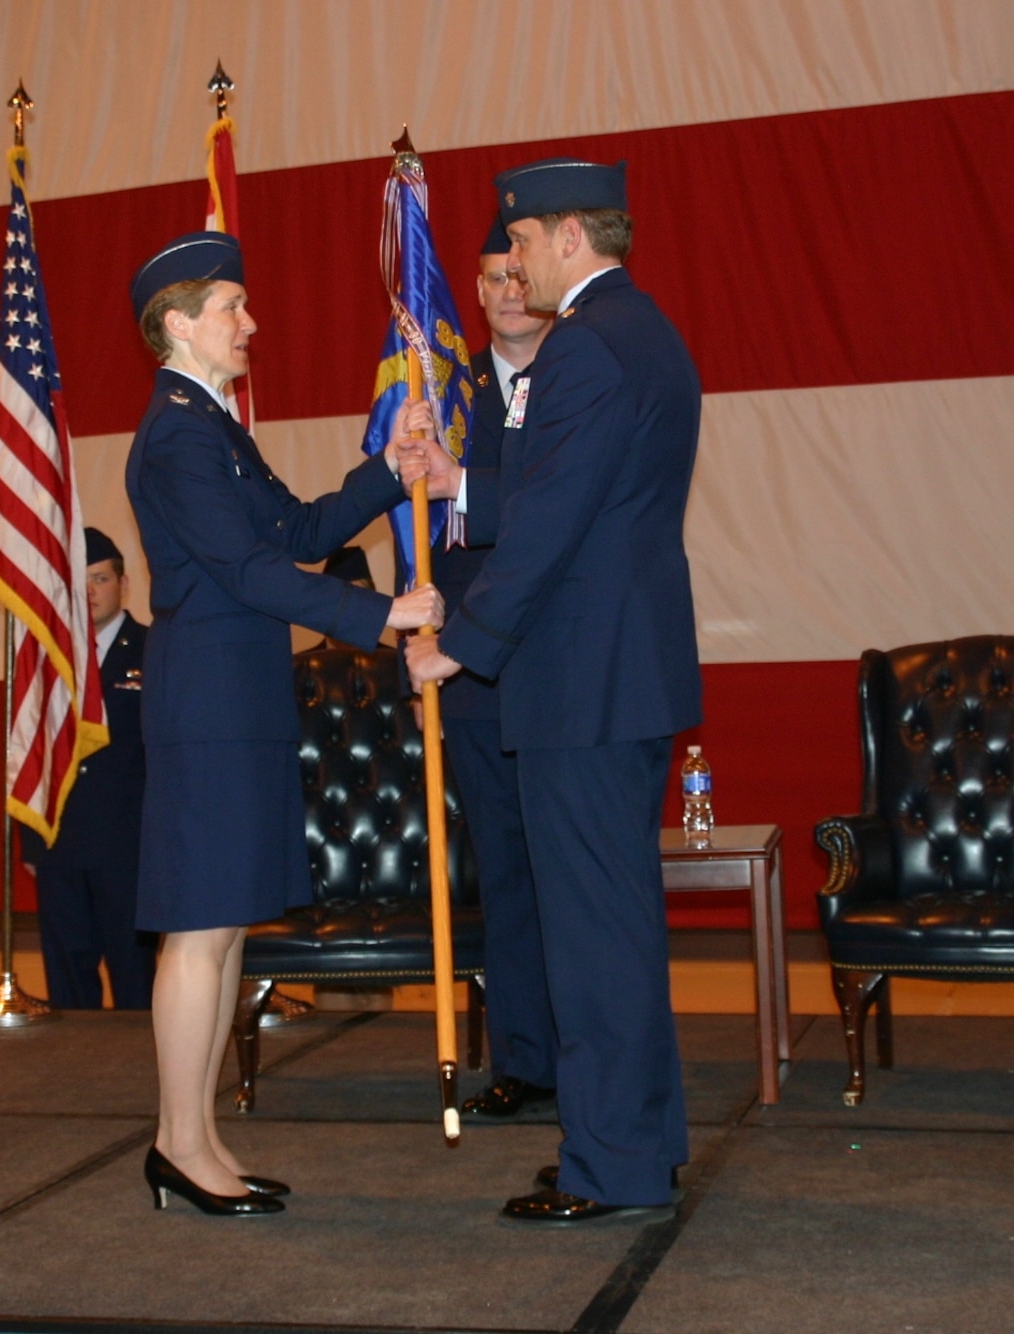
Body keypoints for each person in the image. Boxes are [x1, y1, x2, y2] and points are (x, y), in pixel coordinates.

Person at [124, 231, 447, 1218]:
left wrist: (388, 468)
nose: (249, 321)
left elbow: (297, 529)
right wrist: (377, 614)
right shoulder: (177, 432)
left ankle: (197, 1134)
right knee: (197, 926)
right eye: (231, 306)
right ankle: (178, 1140)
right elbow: (243, 570)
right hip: (209, 703)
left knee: (222, 927)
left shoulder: (210, 425)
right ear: (177, 324)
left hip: (239, 697)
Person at [407, 160, 703, 1226]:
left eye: (521, 241)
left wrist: (462, 641)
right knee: (614, 925)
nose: (512, 261)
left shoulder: (580, 346)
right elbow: (566, 487)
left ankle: (609, 1161)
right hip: (616, 673)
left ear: (568, 235)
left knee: (591, 935)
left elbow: (550, 523)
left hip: (579, 679)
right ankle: (636, 1136)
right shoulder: (643, 331)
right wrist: (457, 484)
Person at [443, 220, 558, 1123]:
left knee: (576, 874)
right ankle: (526, 1060)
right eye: (492, 280)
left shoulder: (581, 377)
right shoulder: (445, 389)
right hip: (478, 678)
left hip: (562, 669)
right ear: (476, 293)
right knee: (508, 879)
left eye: (519, 274)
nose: (508, 292)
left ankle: (592, 1053)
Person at [17, 526, 156, 1010]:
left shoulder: (155, 651)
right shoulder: (44, 656)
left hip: (130, 845)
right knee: (68, 982)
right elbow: (26, 749)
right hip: (62, 844)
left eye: (100, 579)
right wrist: (32, 841)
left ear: (123, 584)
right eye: (80, 582)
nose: (90, 592)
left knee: (136, 977)